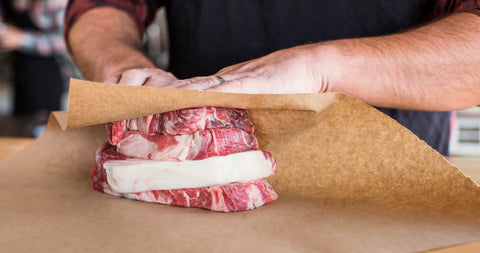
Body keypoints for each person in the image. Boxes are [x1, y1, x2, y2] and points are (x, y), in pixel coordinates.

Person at [64, 0, 480, 155]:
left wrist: (321, 70)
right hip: (191, 167)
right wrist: (118, 66)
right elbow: (99, 6)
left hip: (391, 194)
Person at [0, 0, 72, 136]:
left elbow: (64, 40)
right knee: (20, 126)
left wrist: (22, 39)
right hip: (21, 71)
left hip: (45, 76)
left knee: (42, 131)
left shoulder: (54, 2)